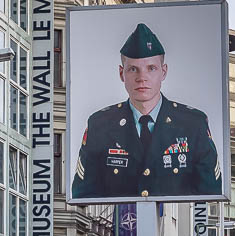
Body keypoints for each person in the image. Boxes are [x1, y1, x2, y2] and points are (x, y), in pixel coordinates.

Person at [70, 23, 222, 200]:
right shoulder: (100, 125)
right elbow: (83, 194)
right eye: (133, 69)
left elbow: (211, 193)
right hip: (120, 226)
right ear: (121, 73)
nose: (142, 78)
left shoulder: (193, 124)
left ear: (163, 72)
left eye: (151, 68)